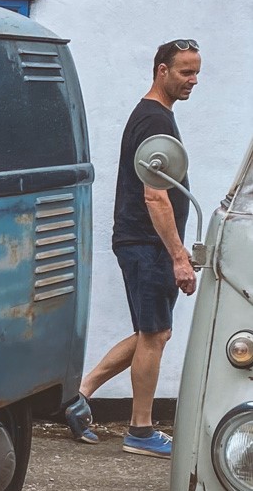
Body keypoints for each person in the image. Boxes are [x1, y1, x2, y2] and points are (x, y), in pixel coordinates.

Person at [66, 39, 201, 456]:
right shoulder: (154, 120)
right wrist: (179, 256)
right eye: (184, 72)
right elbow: (154, 197)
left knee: (152, 332)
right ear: (161, 70)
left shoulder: (155, 116)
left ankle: (79, 395)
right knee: (156, 333)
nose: (193, 81)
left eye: (196, 72)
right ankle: (140, 432)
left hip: (146, 245)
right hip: (147, 244)